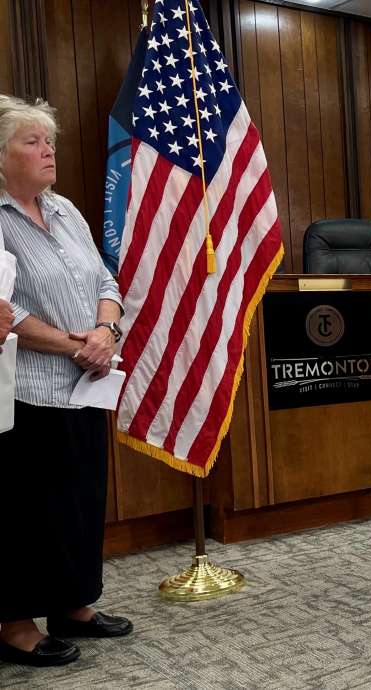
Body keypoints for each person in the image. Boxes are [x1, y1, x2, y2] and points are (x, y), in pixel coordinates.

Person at [0, 95, 132, 668]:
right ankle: (15, 621)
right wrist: (74, 344)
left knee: (81, 498)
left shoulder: (65, 209)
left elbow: (106, 276)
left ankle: (73, 602)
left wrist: (105, 330)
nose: (47, 149)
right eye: (31, 141)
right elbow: (3, 310)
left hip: (86, 383)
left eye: (48, 139)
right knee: (30, 510)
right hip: (26, 387)